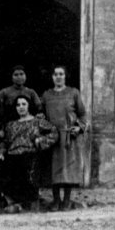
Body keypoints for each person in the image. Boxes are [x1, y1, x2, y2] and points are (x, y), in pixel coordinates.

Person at [0, 95, 58, 213]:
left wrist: (41, 140)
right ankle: (11, 202)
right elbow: (5, 142)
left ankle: (28, 203)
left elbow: (54, 133)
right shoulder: (11, 125)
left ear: (29, 106)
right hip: (12, 155)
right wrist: (1, 153)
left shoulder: (37, 121)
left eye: (24, 104)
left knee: (28, 168)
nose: (21, 107)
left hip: (30, 153)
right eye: (18, 105)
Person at [41, 66, 89, 211]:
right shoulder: (47, 95)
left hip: (69, 137)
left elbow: (83, 115)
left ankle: (67, 200)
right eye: (55, 74)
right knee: (54, 170)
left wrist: (79, 127)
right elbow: (41, 115)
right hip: (53, 137)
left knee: (68, 169)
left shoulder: (73, 93)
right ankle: (56, 201)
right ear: (52, 77)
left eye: (61, 74)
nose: (58, 77)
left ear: (65, 76)